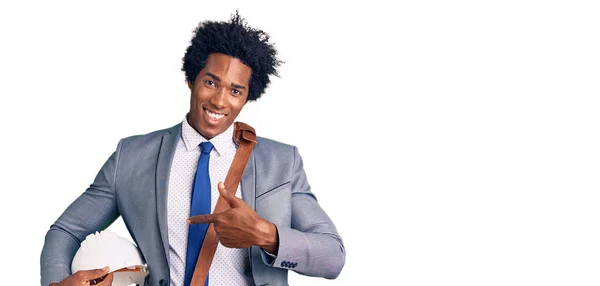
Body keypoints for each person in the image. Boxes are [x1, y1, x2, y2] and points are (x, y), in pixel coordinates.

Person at [40, 11, 345, 286]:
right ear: (191, 79)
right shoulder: (131, 157)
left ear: (247, 97)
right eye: (211, 83)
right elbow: (65, 230)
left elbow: (333, 256)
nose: (219, 101)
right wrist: (56, 284)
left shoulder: (281, 162)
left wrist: (265, 235)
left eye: (235, 91)